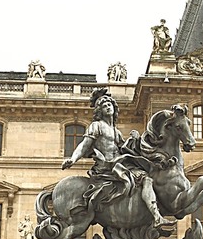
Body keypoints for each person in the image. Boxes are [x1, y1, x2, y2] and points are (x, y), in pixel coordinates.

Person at [62, 89, 175, 227]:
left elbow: (124, 148)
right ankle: (157, 217)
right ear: (99, 111)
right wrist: (73, 159)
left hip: (119, 163)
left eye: (109, 105)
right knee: (145, 179)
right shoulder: (96, 126)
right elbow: (84, 145)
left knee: (147, 172)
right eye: (104, 106)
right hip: (107, 166)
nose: (108, 107)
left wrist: (135, 139)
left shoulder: (116, 131)